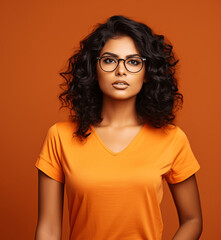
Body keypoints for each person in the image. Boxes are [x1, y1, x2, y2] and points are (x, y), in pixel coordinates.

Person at [34, 15, 202, 240]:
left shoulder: (172, 138)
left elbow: (193, 220)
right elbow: (48, 230)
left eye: (133, 61)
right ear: (94, 70)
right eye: (110, 60)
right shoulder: (60, 136)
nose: (121, 70)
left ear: (147, 73)